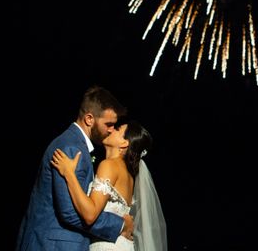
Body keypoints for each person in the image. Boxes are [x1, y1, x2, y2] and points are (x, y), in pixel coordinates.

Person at [16, 85, 134, 251]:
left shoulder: (76, 145)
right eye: (108, 124)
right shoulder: (71, 148)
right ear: (89, 119)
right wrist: (119, 225)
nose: (111, 130)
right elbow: (70, 213)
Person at [51, 119, 167, 251]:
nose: (111, 130)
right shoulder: (127, 174)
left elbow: (90, 215)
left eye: (117, 129)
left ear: (124, 143)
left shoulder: (109, 165)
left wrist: (69, 174)